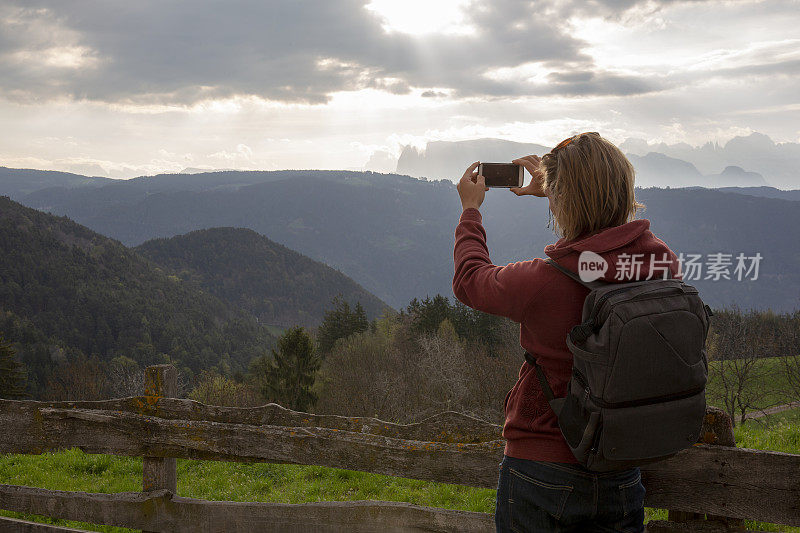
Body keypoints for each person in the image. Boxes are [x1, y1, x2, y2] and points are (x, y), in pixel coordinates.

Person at [453, 132, 682, 533]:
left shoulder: (544, 281)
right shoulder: (660, 266)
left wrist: (470, 212)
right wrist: (560, 190)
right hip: (622, 466)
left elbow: (470, 280)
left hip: (542, 468)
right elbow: (611, 241)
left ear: (564, 198)